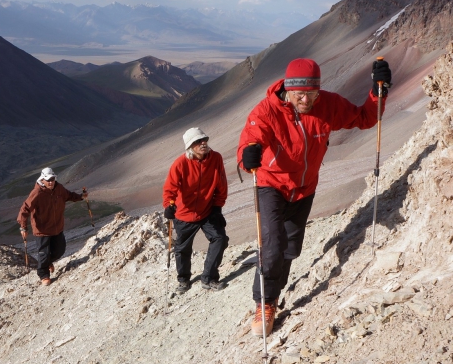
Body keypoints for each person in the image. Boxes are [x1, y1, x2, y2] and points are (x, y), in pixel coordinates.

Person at [237, 58, 392, 336]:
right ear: (288, 88)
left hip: (305, 188)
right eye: (300, 94)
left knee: (290, 249)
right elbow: (251, 139)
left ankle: (275, 288)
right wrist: (248, 155)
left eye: (312, 93)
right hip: (271, 185)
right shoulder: (267, 110)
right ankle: (265, 302)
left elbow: (365, 118)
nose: (306, 100)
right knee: (272, 247)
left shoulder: (327, 105)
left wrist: (377, 92)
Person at [163, 127, 229, 293]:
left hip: (207, 211)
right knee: (182, 249)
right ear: (189, 146)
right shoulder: (180, 164)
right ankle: (184, 280)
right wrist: (169, 205)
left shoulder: (216, 158)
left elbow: (221, 185)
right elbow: (170, 187)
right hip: (184, 214)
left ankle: (209, 277)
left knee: (220, 238)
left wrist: (217, 207)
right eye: (197, 142)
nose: (203, 143)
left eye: (204, 139)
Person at [17, 167, 87, 286]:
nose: (50, 182)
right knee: (43, 254)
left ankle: (48, 263)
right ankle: (43, 275)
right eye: (48, 180)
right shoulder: (37, 193)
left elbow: (69, 195)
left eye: (52, 179)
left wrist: (80, 197)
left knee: (60, 250)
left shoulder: (59, 189)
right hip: (42, 230)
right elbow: (25, 209)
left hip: (57, 227)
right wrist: (23, 227)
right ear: (42, 180)